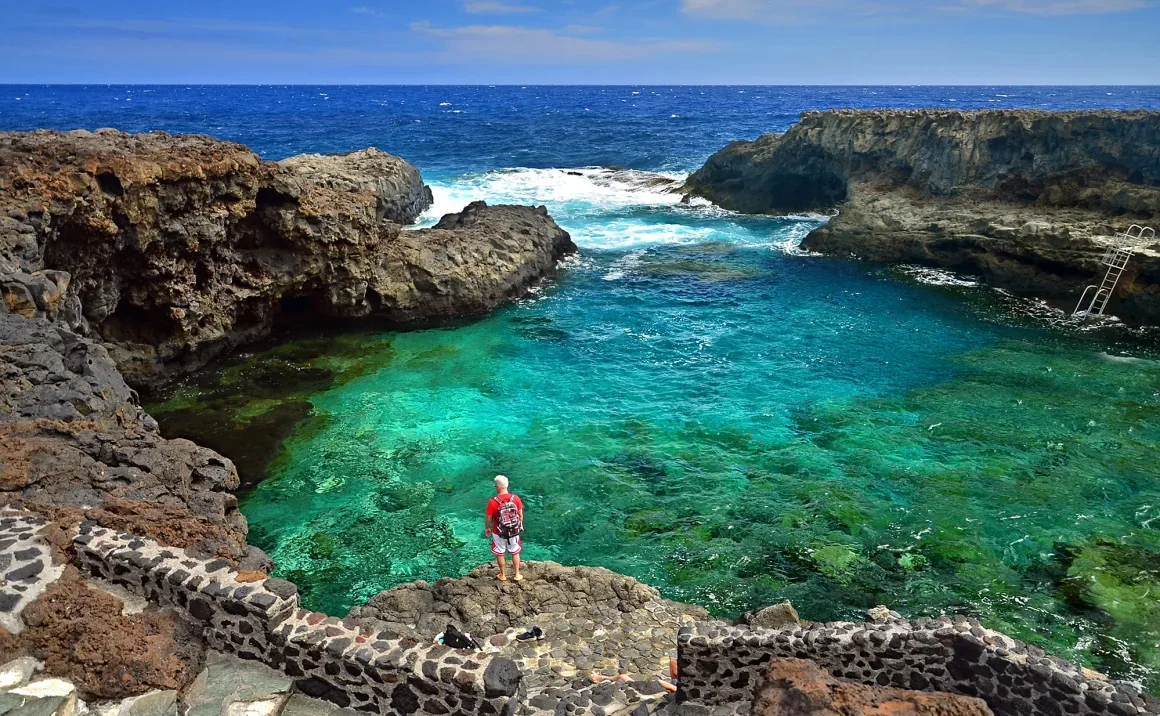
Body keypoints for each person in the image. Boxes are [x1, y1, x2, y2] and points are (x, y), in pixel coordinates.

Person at [485, 474, 524, 581]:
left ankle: (503, 575)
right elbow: (520, 515)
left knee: (500, 552)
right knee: (515, 551)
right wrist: (518, 526)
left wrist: (487, 528)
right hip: (514, 531)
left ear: (498, 486)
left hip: (498, 532)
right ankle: (517, 574)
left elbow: (489, 518)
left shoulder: (493, 501)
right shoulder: (515, 498)